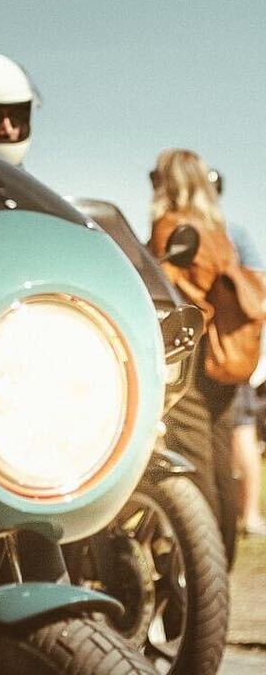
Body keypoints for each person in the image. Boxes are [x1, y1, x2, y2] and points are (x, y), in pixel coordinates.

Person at [150, 149, 261, 565]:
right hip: (225, 363)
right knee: (220, 470)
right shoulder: (222, 233)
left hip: (191, 362)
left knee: (193, 473)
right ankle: (220, 576)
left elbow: (165, 295)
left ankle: (199, 580)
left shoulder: (170, 228)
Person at [216, 171, 266, 537]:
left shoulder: (231, 235)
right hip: (230, 349)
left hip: (231, 349)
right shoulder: (231, 235)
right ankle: (241, 517)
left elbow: (258, 289)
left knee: (242, 431)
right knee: (239, 433)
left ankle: (247, 516)